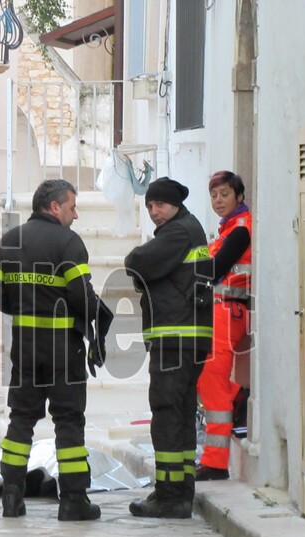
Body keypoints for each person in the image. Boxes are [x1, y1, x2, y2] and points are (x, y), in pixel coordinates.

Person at [0, 179, 103, 522]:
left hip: (24, 348)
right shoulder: (68, 242)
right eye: (72, 207)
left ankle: (11, 495)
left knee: (21, 419)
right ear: (54, 207)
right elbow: (83, 296)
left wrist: (25, 309)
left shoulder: (8, 241)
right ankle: (72, 500)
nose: (76, 214)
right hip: (63, 350)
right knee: (68, 420)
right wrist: (92, 312)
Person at [124, 176, 213, 518]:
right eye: (149, 206)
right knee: (180, 412)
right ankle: (179, 491)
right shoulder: (189, 229)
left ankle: (170, 495)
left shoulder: (178, 232)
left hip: (176, 338)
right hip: (188, 339)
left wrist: (138, 264)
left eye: (159, 204)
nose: (154, 212)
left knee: (166, 414)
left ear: (175, 204)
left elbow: (137, 262)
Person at [196, 170, 252, 481]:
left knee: (211, 379)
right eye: (214, 195)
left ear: (239, 197)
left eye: (225, 194)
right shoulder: (229, 228)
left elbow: (214, 271)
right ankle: (239, 398)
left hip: (228, 312)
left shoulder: (240, 230)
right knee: (211, 379)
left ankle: (215, 462)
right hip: (223, 311)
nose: (218, 200)